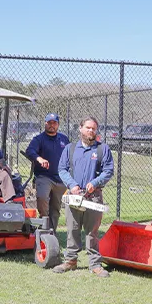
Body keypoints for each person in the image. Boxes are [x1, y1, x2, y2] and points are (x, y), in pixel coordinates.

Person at [53, 116, 115, 278]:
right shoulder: (70, 148)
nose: (91, 131)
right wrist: (72, 185)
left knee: (92, 232)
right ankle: (70, 261)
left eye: (94, 128)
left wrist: (95, 182)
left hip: (93, 197)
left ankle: (95, 264)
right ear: (80, 129)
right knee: (72, 229)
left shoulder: (103, 149)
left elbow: (108, 171)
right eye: (88, 128)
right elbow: (62, 169)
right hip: (74, 197)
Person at [25, 113, 69, 232]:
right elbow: (30, 151)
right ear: (45, 123)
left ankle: (51, 231)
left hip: (60, 178)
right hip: (44, 176)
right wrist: (39, 159)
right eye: (49, 123)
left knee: (56, 207)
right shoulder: (39, 139)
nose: (51, 125)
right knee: (42, 198)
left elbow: (69, 155)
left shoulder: (64, 139)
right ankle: (44, 223)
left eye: (54, 123)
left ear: (58, 125)